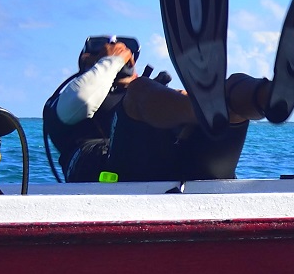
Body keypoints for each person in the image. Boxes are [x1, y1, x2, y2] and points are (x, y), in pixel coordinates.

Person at [41, 35, 273, 182]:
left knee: (229, 90)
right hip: (110, 176)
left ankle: (270, 97)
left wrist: (182, 107)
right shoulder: (60, 102)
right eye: (101, 48)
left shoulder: (156, 93)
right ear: (84, 58)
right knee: (142, 90)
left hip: (181, 167)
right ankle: (207, 109)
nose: (117, 51)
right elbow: (82, 99)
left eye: (126, 50)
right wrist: (112, 60)